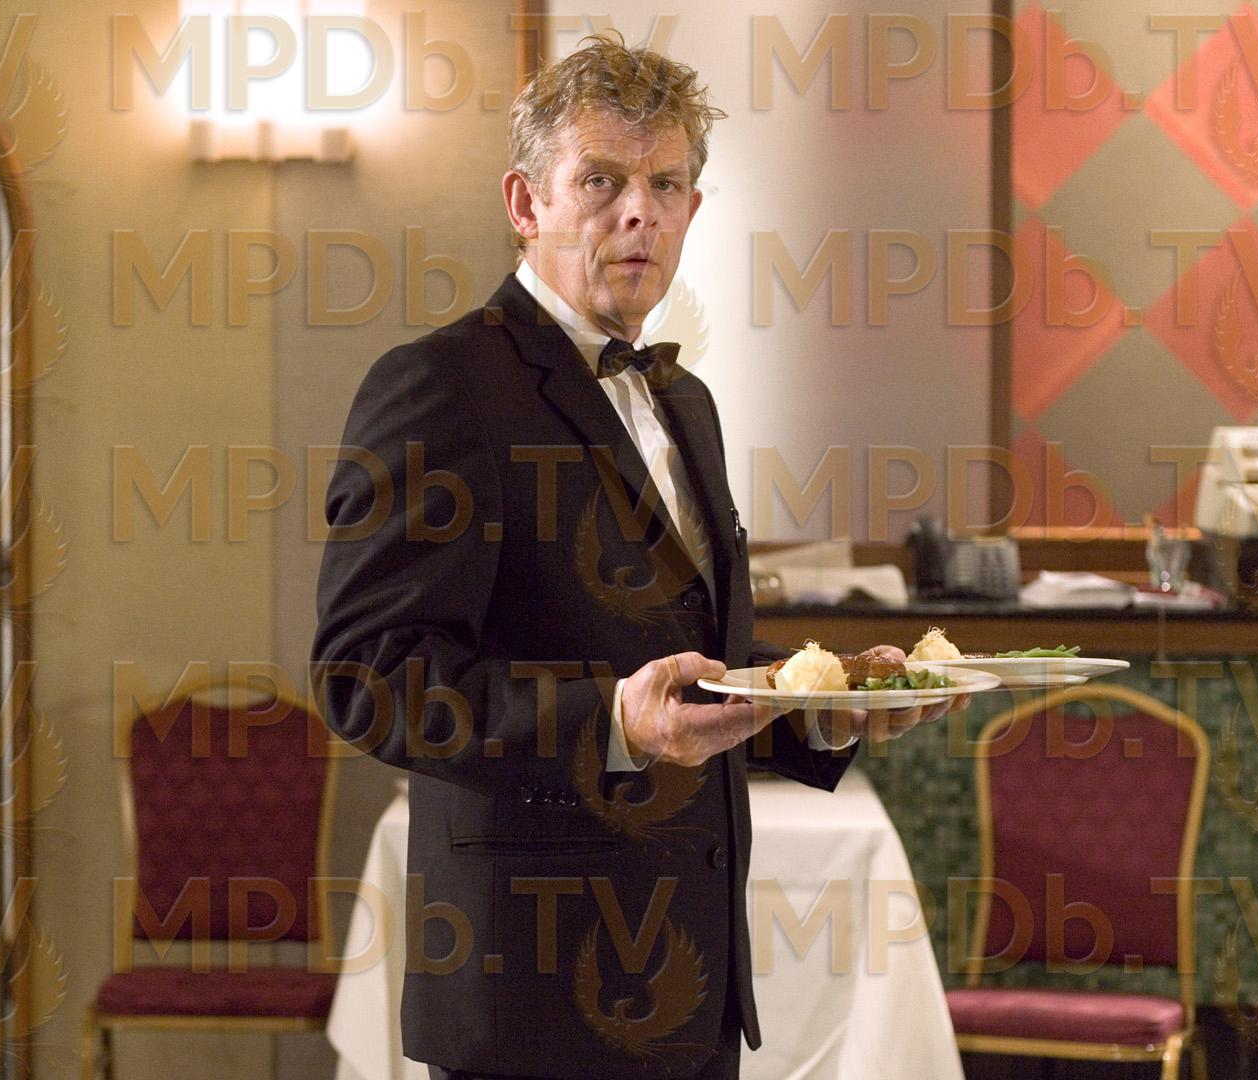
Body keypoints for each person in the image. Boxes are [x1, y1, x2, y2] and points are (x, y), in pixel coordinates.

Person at [311, 33, 948, 1080]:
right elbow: (369, 679)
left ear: (693, 207)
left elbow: (683, 661)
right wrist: (611, 721)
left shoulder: (686, 402)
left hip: (689, 990)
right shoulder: (440, 386)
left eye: (667, 183)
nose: (639, 211)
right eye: (601, 180)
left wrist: (819, 705)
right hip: (529, 993)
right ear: (526, 203)